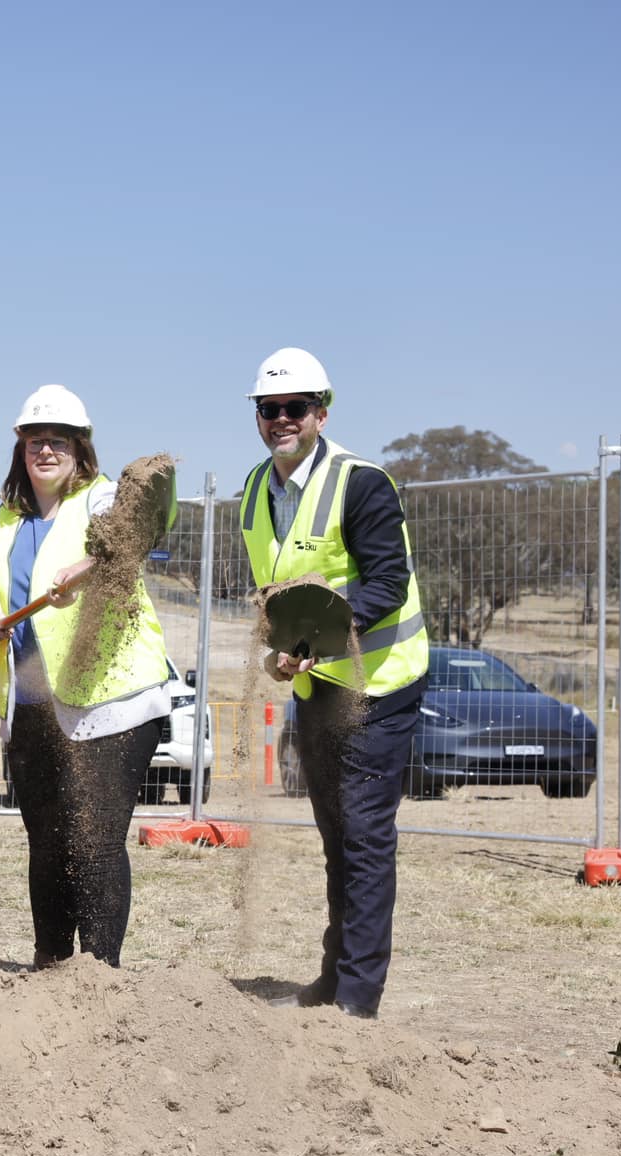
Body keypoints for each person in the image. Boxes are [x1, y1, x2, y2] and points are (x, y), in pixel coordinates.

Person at [0, 385, 174, 968]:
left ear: (80, 448)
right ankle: (50, 969)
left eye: (58, 441)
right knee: (47, 845)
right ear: (20, 450)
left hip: (112, 701)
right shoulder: (1, 523)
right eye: (33, 442)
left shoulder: (102, 503)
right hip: (31, 708)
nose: (44, 451)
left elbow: (145, 525)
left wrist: (94, 563)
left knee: (95, 840)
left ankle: (99, 977)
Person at [239, 348, 428, 1020]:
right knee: (335, 833)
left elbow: (388, 582)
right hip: (317, 687)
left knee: (366, 834)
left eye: (295, 408)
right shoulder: (255, 496)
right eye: (270, 409)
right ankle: (332, 977)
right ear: (258, 416)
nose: (282, 419)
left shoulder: (363, 483)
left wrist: (322, 634)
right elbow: (274, 599)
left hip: (380, 685)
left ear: (321, 412)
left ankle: (356, 1000)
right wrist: (283, 651)